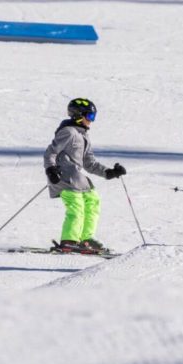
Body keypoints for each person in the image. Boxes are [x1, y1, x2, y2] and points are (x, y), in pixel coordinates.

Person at [43, 98, 125, 254]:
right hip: (63, 177)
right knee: (77, 207)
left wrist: (109, 172)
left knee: (93, 200)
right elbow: (50, 152)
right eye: (90, 116)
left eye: (93, 117)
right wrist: (51, 169)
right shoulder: (68, 132)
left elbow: (89, 163)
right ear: (78, 115)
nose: (91, 121)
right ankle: (69, 240)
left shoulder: (83, 135)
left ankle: (86, 238)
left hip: (77, 178)